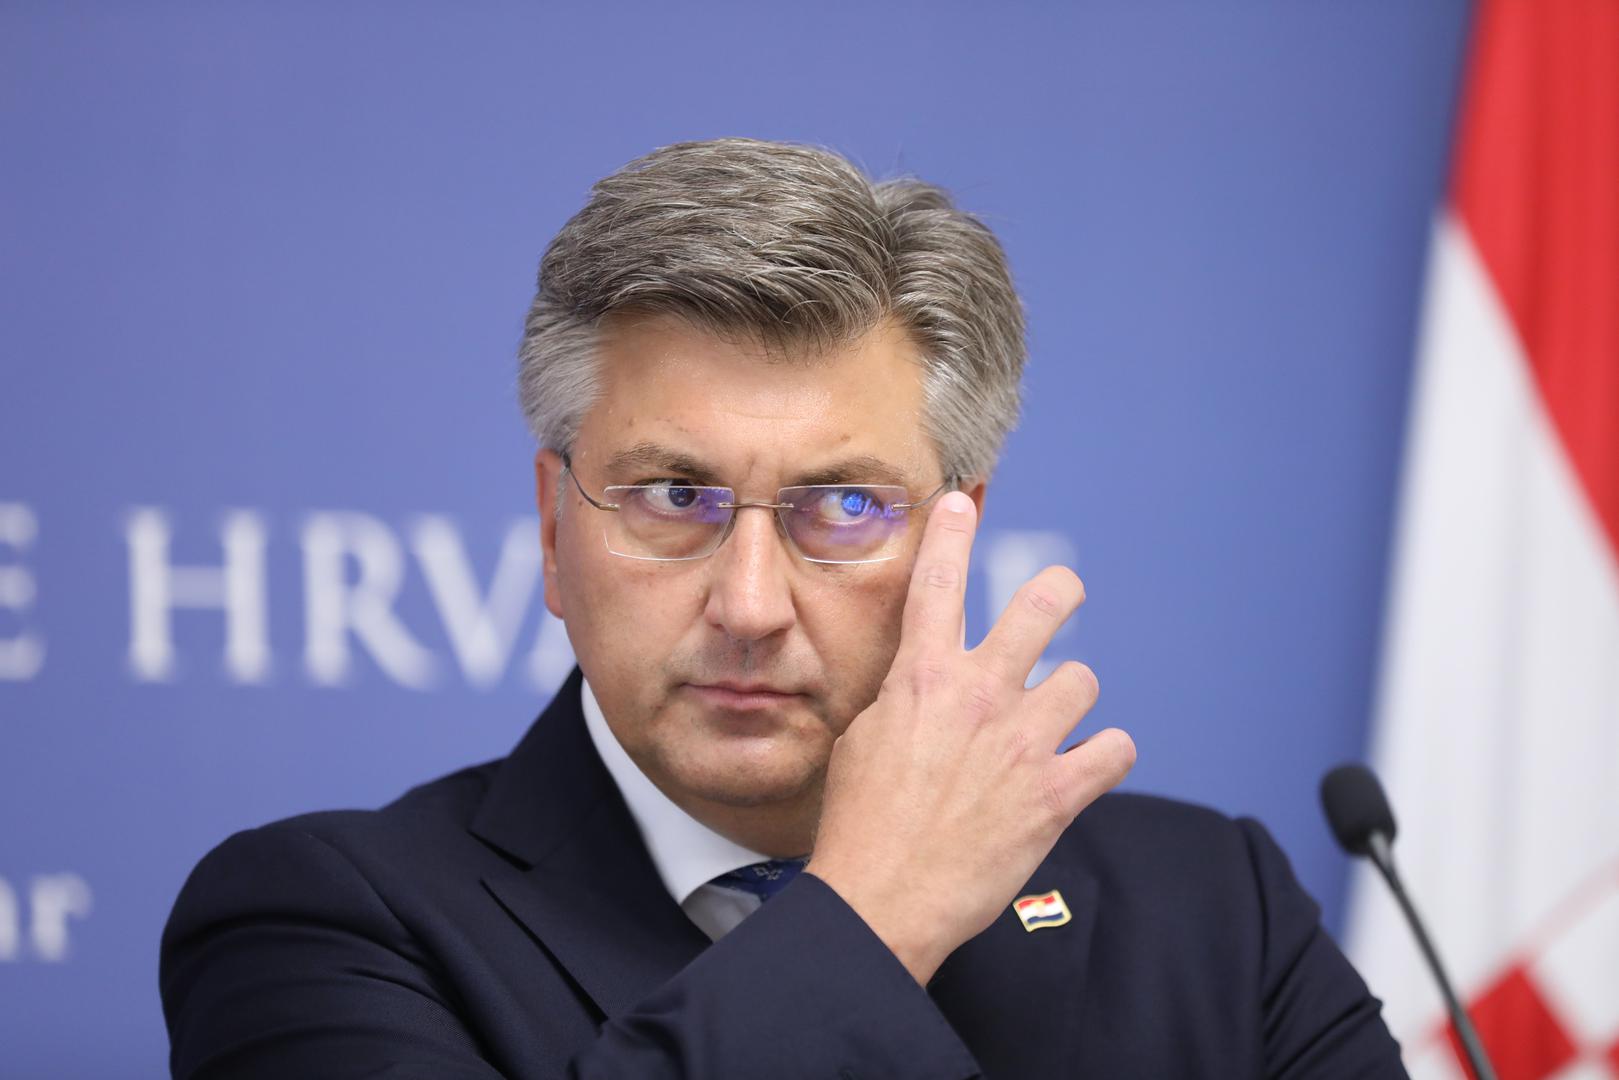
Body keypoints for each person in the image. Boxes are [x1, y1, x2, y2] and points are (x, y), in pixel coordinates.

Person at [160, 138, 1406, 1078]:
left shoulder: (1211, 907)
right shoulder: (321, 922)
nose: (749, 606)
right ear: (551, 529)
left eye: (845, 507)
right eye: (672, 495)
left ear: (955, 532)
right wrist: (869, 912)